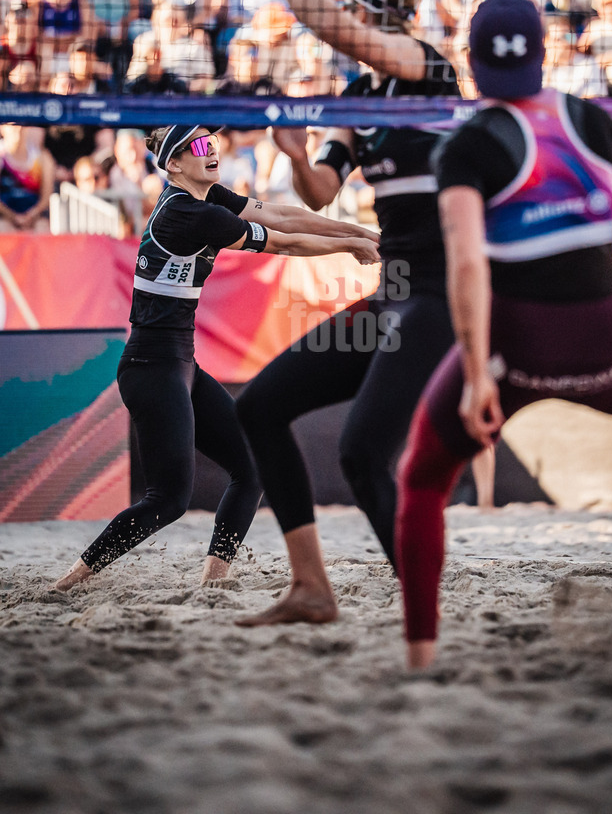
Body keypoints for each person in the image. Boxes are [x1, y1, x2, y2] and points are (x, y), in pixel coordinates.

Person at [395, 0, 612, 669]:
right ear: (542, 53)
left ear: (470, 66)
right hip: (607, 348)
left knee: (420, 479)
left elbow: (467, 263)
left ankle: (419, 656)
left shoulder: (465, 146)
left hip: (511, 356)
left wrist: (472, 376)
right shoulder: (590, 122)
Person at [233, 0, 495, 628]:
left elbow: (349, 36)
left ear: (373, 12)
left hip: (441, 296)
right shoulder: (358, 93)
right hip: (395, 293)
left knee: (359, 453)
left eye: (351, 6)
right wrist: (292, 155)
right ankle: (311, 588)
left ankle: (424, 604)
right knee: (257, 407)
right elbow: (322, 190)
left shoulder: (426, 66)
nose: (344, 18)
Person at [55, 123, 380, 592]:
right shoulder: (187, 213)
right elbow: (283, 242)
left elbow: (285, 217)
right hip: (151, 368)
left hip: (180, 363)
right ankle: (70, 581)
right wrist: (350, 246)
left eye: (213, 143)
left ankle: (214, 579)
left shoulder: (208, 198)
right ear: (173, 164)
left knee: (250, 468)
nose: (213, 150)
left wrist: (358, 230)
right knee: (168, 500)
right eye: (200, 146)